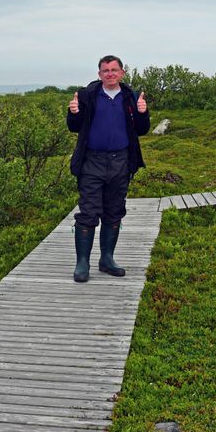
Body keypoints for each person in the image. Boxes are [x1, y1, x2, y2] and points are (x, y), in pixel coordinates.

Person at [67, 55, 150, 282]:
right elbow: (74, 127)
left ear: (122, 73)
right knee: (88, 212)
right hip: (92, 162)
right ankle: (82, 263)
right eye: (106, 70)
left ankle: (107, 259)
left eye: (114, 70)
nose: (110, 74)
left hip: (121, 162)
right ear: (99, 74)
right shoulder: (87, 96)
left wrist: (143, 112)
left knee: (114, 211)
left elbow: (142, 130)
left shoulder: (130, 96)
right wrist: (73, 112)